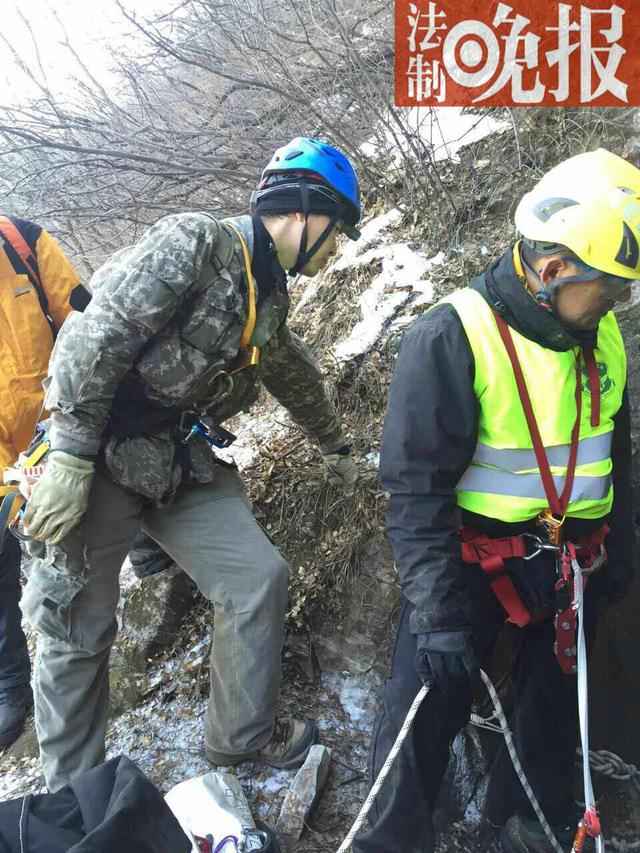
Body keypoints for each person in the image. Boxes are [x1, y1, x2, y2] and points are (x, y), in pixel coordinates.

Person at [21, 137, 361, 792]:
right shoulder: (197, 242)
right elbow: (95, 333)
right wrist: (66, 452)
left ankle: (241, 738)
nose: (339, 247)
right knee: (76, 629)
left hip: (176, 458)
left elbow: (289, 367)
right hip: (97, 453)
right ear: (302, 211)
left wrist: (334, 443)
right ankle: (75, 800)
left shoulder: (270, 290)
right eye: (338, 229)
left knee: (257, 577)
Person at [353, 148, 638, 853]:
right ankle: (388, 840)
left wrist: (620, 546)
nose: (617, 305)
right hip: (468, 564)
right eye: (608, 290)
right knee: (422, 710)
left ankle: (524, 828)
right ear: (552, 271)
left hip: (571, 563)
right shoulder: (453, 337)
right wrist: (439, 612)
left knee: (546, 716)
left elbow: (615, 454)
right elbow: (414, 488)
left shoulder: (599, 336)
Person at [0, 216, 88, 749]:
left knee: (112, 469)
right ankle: (11, 684)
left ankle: (150, 546)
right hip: (5, 452)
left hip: (63, 414)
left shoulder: (21, 242)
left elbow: (85, 321)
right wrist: (12, 479)